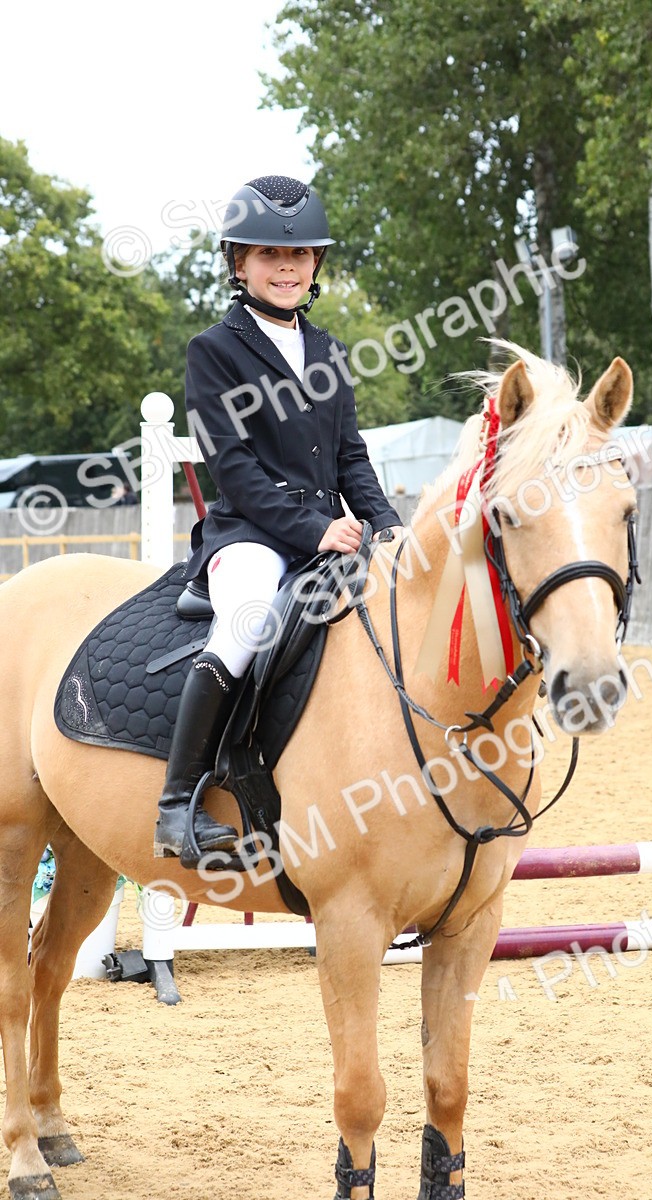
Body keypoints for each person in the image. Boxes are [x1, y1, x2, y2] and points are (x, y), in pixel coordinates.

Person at [154, 175, 401, 863]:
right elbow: (231, 468)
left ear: (316, 264)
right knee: (246, 627)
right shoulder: (214, 350)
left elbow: (352, 457)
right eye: (269, 255)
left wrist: (385, 524)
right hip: (250, 538)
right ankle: (177, 805)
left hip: (334, 538)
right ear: (239, 263)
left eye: (299, 256)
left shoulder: (328, 350)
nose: (286, 268)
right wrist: (313, 529)